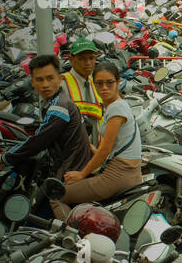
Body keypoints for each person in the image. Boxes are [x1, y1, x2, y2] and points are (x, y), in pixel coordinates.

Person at [0, 54, 92, 188]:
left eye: (50, 78)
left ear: (60, 79)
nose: (45, 85)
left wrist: (5, 158)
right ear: (32, 83)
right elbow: (86, 126)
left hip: (68, 176)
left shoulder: (59, 107)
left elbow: (39, 141)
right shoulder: (62, 100)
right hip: (72, 168)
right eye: (40, 79)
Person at [55, 61, 143, 219]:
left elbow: (106, 149)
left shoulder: (116, 108)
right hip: (130, 171)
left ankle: (71, 239)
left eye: (110, 83)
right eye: (99, 83)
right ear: (93, 84)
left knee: (56, 197)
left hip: (118, 175)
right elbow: (117, 145)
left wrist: (81, 174)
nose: (104, 88)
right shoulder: (117, 105)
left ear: (118, 82)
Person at [62, 38, 103, 143]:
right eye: (82, 59)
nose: (88, 63)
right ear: (71, 60)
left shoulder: (95, 82)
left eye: (91, 58)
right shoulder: (62, 84)